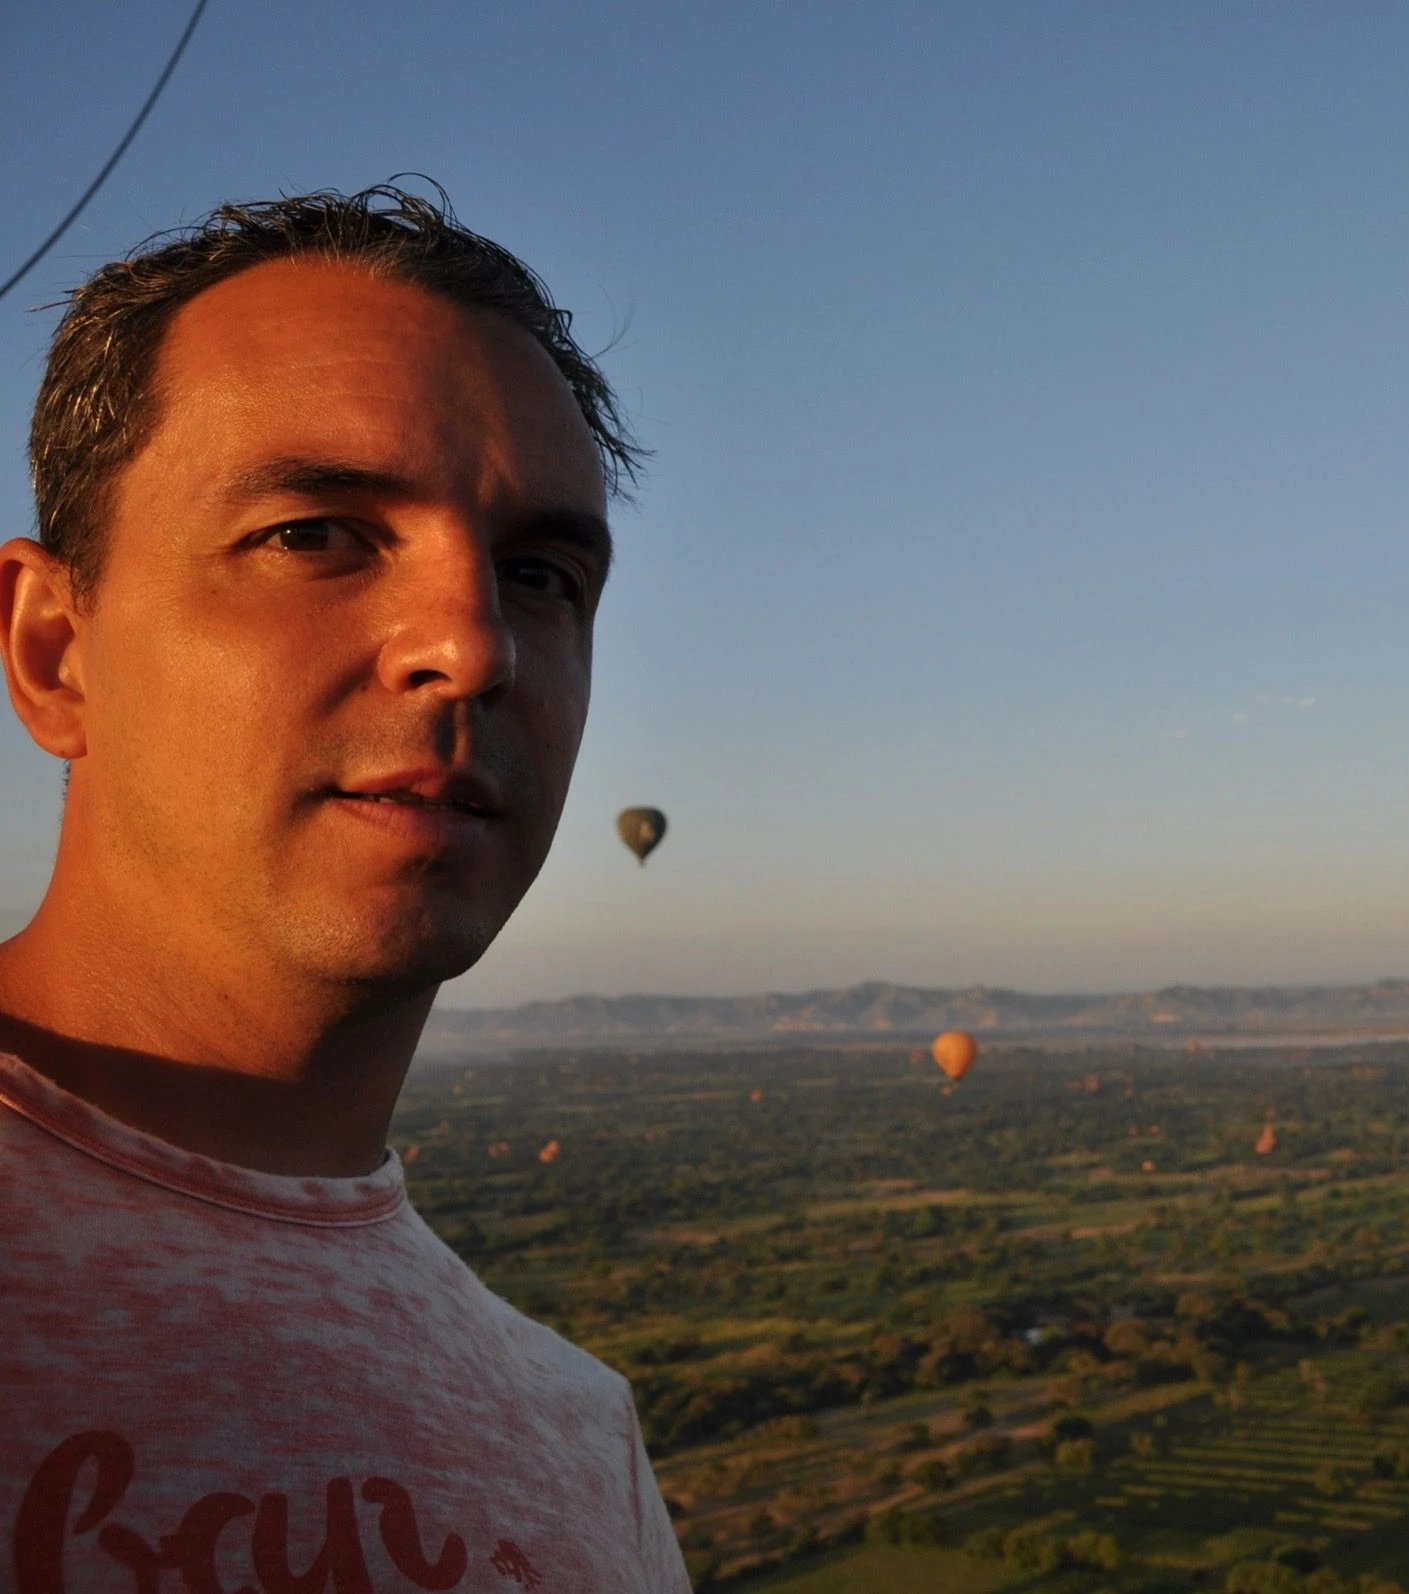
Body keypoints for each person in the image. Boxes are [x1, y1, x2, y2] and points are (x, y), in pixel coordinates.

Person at [0, 187, 689, 1591]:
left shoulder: (581, 1443)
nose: (473, 644)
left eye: (542, 572)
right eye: (317, 533)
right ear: (55, 650)